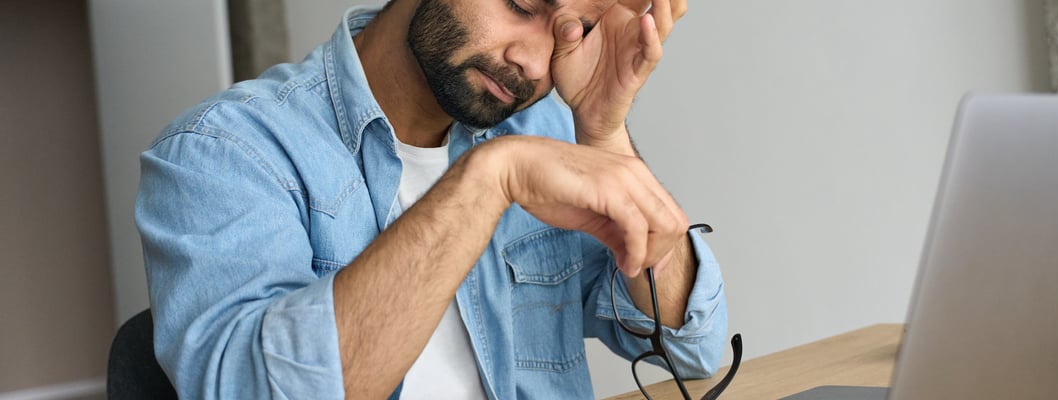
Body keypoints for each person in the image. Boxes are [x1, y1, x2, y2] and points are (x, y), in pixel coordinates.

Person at [134, 0, 730, 398]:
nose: (532, 62)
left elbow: (689, 346)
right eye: (523, 4)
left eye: (570, 32)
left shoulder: (541, 131)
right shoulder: (221, 152)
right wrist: (487, 181)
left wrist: (604, 134)